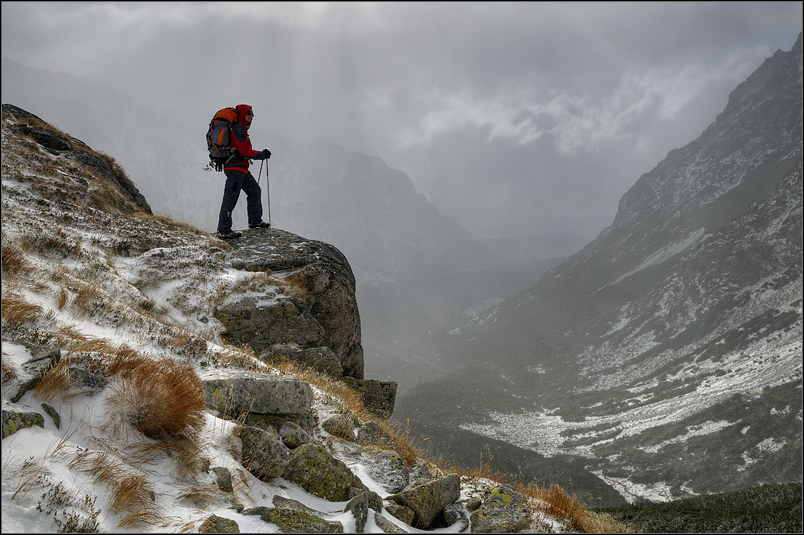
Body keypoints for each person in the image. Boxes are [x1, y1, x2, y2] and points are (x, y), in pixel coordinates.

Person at [216, 104, 272, 239]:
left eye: (252, 114)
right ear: (242, 115)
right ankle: (223, 229)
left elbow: (243, 150)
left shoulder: (242, 129)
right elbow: (244, 151)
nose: (252, 116)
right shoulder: (238, 129)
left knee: (254, 191)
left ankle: (255, 221)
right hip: (235, 168)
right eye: (249, 114)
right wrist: (261, 154)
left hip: (241, 168)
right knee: (231, 198)